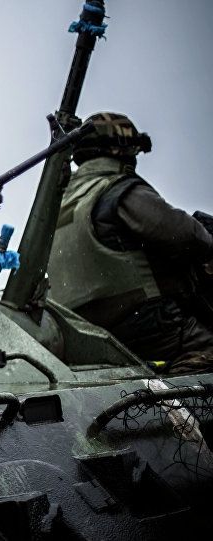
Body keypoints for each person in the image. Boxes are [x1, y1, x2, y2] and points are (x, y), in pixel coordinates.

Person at [48, 112, 213, 374]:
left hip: (83, 335)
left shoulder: (58, 204)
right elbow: (190, 237)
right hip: (147, 325)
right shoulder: (117, 190)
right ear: (120, 149)